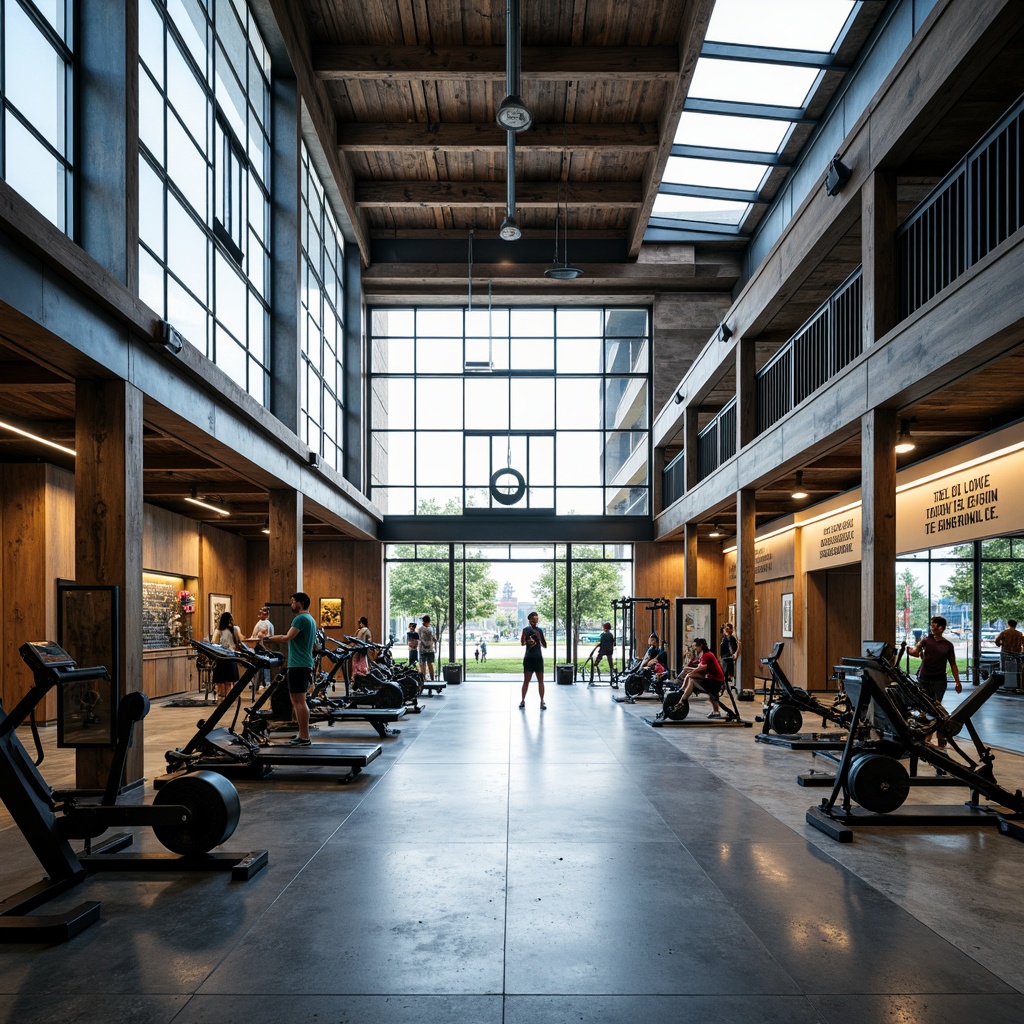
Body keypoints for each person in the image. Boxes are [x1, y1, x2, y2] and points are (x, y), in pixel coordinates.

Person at [264, 592, 317, 746]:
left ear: (300, 603)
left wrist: (268, 638)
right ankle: (302, 735)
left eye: (293, 602)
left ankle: (304, 737)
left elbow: (287, 637)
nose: (291, 605)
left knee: (299, 701)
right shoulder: (310, 619)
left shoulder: (300, 618)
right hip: (302, 663)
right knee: (297, 701)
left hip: (298, 664)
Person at [907, 616, 962, 745]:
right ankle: (927, 737)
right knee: (925, 708)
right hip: (924, 678)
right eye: (931, 625)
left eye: (935, 625)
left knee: (936, 707)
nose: (932, 627)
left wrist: (957, 682)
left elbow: (953, 664)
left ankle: (940, 734)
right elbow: (915, 652)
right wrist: (907, 650)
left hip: (939, 680)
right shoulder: (925, 641)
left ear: (941, 627)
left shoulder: (948, 645)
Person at [667, 637, 730, 719]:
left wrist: (691, 671)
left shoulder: (706, 655)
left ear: (701, 646)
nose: (694, 648)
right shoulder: (705, 654)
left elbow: (702, 667)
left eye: (695, 646)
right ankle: (716, 712)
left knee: (692, 679)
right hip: (713, 680)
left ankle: (681, 700)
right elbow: (701, 667)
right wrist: (690, 670)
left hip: (716, 682)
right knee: (690, 676)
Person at [212, 611, 246, 699]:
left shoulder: (218, 631)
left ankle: (221, 694)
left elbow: (214, 642)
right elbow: (241, 639)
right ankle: (230, 695)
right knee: (230, 678)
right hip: (232, 655)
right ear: (230, 620)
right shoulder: (236, 629)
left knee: (221, 678)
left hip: (221, 656)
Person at [520, 611, 547, 709]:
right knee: (526, 681)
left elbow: (545, 645)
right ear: (530, 620)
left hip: (538, 658)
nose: (535, 622)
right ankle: (522, 700)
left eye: (536, 620)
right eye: (533, 620)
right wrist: (526, 640)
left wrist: (539, 638)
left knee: (541, 681)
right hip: (529, 658)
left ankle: (542, 701)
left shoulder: (539, 630)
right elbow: (522, 643)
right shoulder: (525, 630)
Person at [249, 606, 275, 688]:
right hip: (259, 646)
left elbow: (271, 636)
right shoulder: (259, 624)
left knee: (266, 664)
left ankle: (266, 682)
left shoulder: (269, 624)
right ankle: (259, 682)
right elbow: (254, 634)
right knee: (260, 665)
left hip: (266, 646)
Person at [418, 615, 436, 680]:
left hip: (423, 649)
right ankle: (432, 678)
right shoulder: (431, 629)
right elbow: (434, 638)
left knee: (423, 664)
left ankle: (424, 678)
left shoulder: (420, 629)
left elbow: (420, 639)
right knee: (430, 664)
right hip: (430, 649)